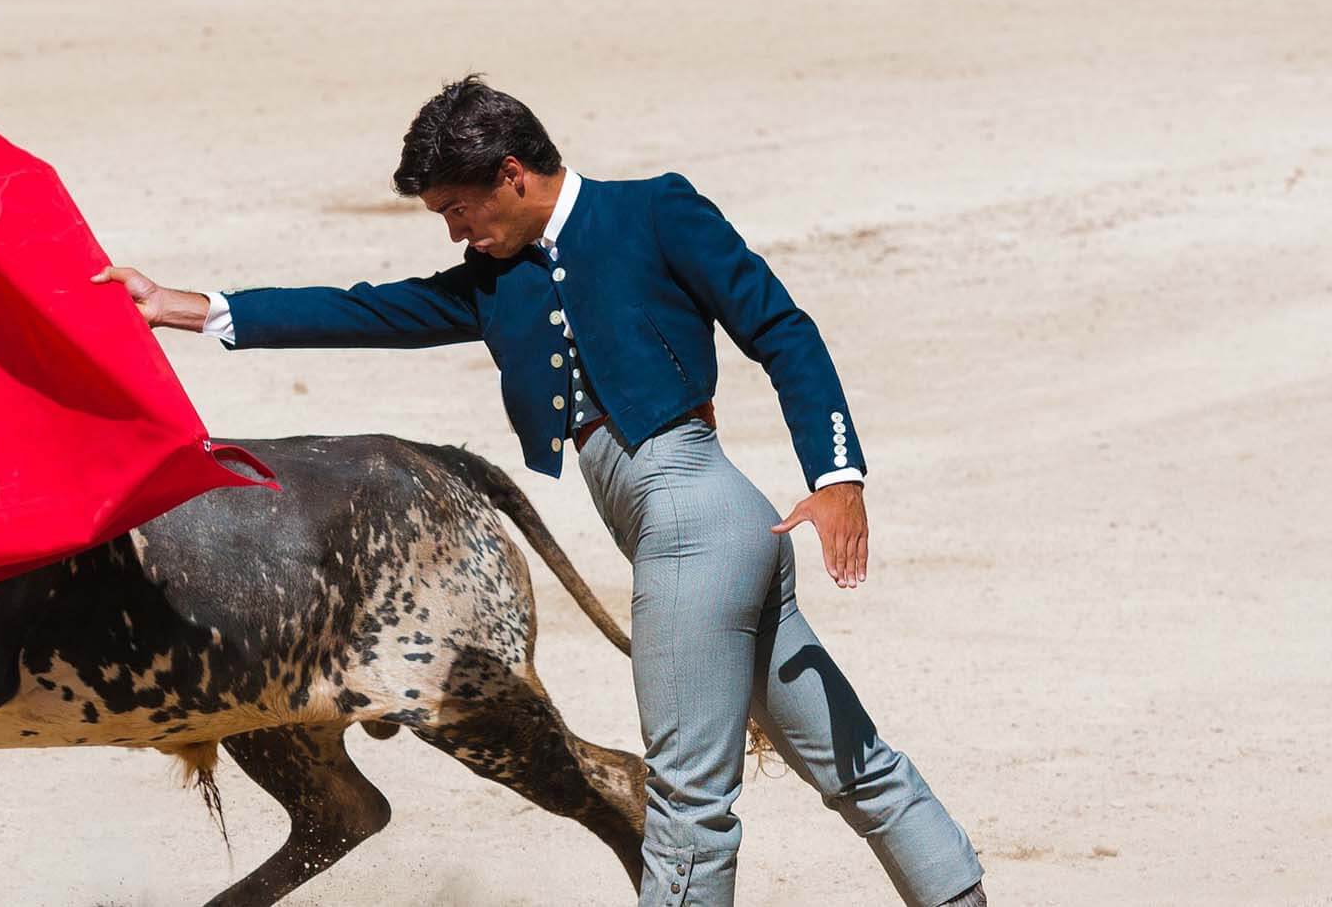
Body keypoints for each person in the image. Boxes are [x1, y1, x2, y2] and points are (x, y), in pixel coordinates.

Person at [93, 75, 985, 907]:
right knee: (850, 762)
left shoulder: (654, 210)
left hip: (694, 518)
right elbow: (364, 309)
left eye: (457, 208)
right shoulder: (497, 282)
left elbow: (781, 328)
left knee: (687, 801)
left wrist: (837, 478)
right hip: (697, 530)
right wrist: (182, 304)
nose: (452, 231)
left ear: (511, 174)